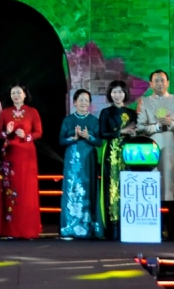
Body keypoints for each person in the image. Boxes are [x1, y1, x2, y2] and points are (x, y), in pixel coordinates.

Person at [136, 70, 174, 240]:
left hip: (173, 150)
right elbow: (141, 127)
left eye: (162, 80)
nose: (159, 83)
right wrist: (157, 127)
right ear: (150, 84)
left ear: (168, 83)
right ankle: (154, 229)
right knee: (154, 190)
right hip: (152, 153)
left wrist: (170, 123)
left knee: (173, 190)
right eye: (156, 81)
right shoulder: (144, 102)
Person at [0, 83, 43, 239]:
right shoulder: (5, 112)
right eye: (13, 93)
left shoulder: (32, 112)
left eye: (19, 92)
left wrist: (26, 135)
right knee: (11, 191)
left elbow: (39, 132)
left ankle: (28, 230)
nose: (16, 95)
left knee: (27, 191)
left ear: (25, 95)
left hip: (27, 154)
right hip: (10, 155)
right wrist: (6, 132)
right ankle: (10, 231)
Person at [58, 89, 103, 239]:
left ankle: (88, 228)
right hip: (72, 161)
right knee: (72, 191)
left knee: (89, 190)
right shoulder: (68, 120)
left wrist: (88, 136)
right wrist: (74, 138)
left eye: (86, 100)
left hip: (88, 160)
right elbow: (61, 141)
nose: (84, 102)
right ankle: (69, 228)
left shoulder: (94, 120)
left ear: (89, 104)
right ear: (75, 102)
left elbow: (99, 142)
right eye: (81, 99)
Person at [98, 80, 137, 240]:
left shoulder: (132, 113)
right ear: (110, 94)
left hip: (128, 153)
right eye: (114, 92)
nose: (117, 95)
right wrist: (121, 131)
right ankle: (112, 226)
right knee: (112, 187)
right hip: (112, 153)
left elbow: (135, 131)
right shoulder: (106, 112)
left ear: (125, 94)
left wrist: (133, 134)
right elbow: (102, 134)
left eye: (120, 92)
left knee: (128, 186)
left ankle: (129, 224)